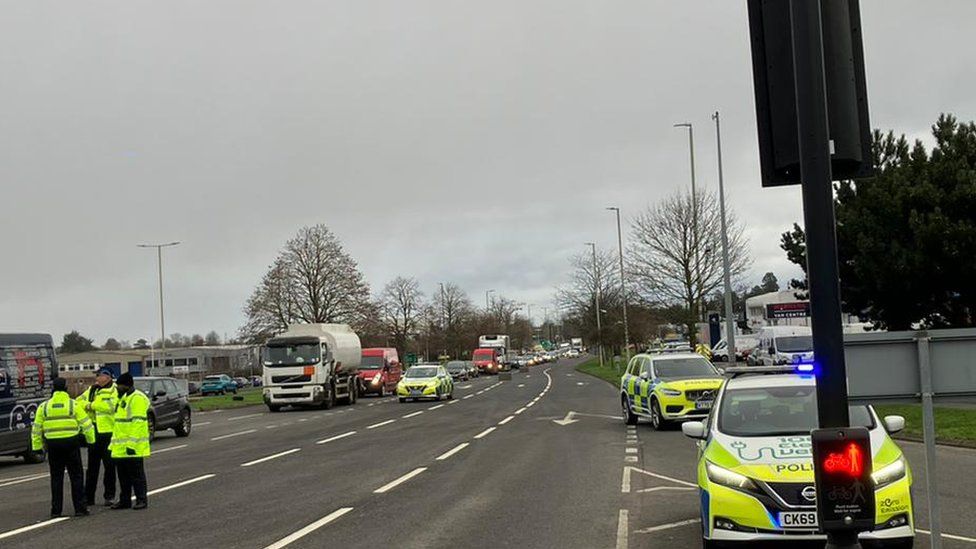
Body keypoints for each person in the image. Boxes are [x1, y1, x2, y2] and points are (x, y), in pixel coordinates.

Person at [31, 377, 96, 518]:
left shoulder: (44, 406)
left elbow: (36, 429)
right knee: (76, 476)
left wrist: (36, 447)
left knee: (56, 477)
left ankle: (56, 510)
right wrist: (91, 441)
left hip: (53, 445)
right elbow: (86, 424)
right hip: (71, 443)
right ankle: (80, 508)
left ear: (53, 389)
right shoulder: (73, 405)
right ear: (66, 389)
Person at [76, 368, 119, 507]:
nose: (97, 378)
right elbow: (78, 402)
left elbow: (110, 407)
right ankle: (89, 497)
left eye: (99, 375)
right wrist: (89, 405)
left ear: (107, 377)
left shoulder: (114, 390)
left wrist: (91, 405)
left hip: (108, 433)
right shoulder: (92, 390)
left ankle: (109, 495)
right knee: (92, 467)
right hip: (94, 432)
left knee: (110, 466)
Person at [110, 372, 151, 510]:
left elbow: (138, 423)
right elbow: (118, 424)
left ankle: (141, 499)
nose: (117, 388)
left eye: (119, 386)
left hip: (133, 446)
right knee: (123, 476)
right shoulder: (123, 398)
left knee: (137, 475)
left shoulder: (136, 399)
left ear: (126, 386)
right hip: (120, 447)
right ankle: (124, 500)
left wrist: (132, 444)